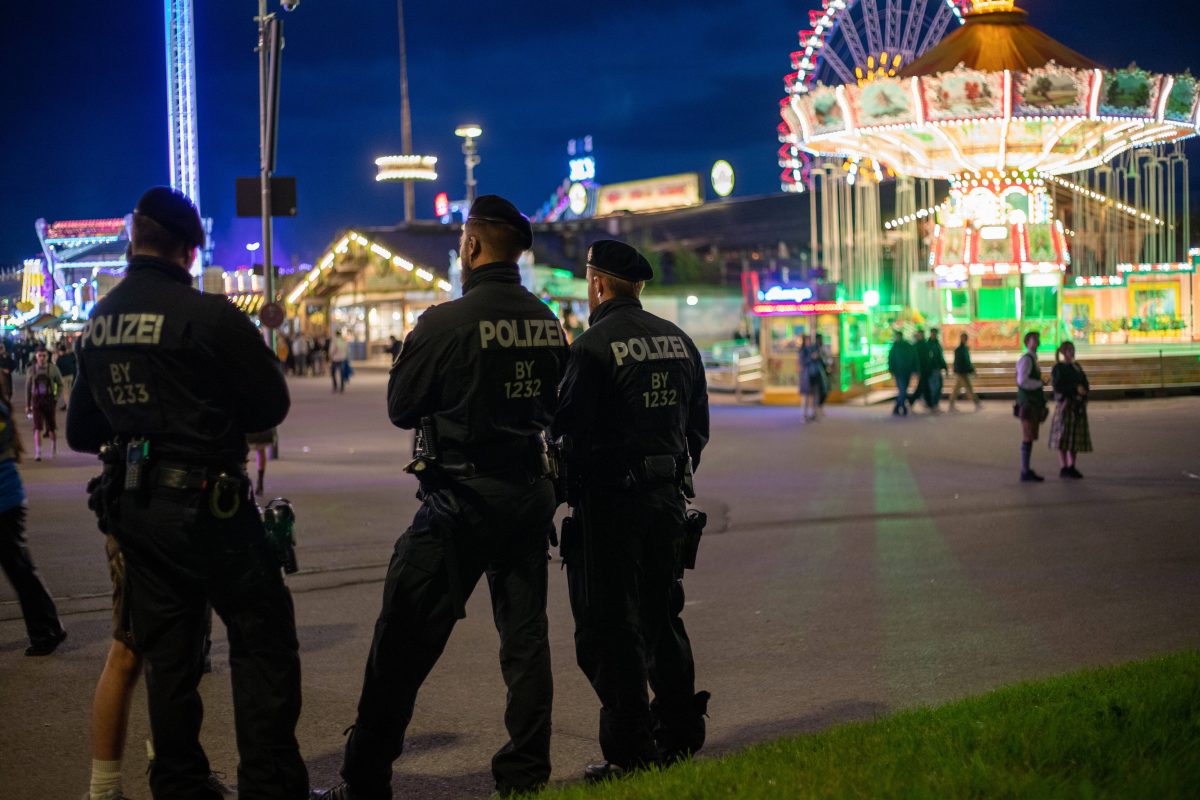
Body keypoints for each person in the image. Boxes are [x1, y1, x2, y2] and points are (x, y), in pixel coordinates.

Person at [314, 195, 568, 800]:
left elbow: (402, 407)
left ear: (473, 247)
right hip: (526, 495)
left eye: (462, 240)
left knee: (401, 641)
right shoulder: (546, 321)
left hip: (459, 503)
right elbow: (559, 408)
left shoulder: (444, 323)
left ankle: (365, 778)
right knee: (526, 644)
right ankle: (526, 777)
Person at [66, 186, 307, 799]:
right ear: (190, 251)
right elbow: (271, 403)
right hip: (212, 506)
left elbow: (80, 430)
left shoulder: (99, 322)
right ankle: (270, 784)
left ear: (132, 239)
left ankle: (179, 785)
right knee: (262, 638)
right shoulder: (210, 315)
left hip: (137, 509)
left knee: (169, 660)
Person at [553, 239, 711, 781]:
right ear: (637, 287)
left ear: (598, 284)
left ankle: (631, 750)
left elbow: (565, 431)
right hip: (667, 502)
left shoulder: (592, 347)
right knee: (663, 617)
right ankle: (681, 733)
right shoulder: (679, 341)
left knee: (608, 630)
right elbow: (698, 431)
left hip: (610, 508)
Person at [0, 396, 67, 656]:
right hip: (8, 501)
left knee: (21, 571)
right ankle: (47, 629)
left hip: (5, 503)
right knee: (21, 570)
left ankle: (48, 630)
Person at [1048, 341, 1091, 479]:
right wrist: (1074, 389)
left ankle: (1072, 465)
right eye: (1069, 350)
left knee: (1074, 438)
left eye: (1073, 349)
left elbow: (1085, 381)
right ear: (1063, 352)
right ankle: (1064, 466)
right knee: (1064, 437)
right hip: (1066, 405)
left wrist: (1084, 390)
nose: (1072, 352)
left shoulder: (1076, 367)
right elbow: (1058, 387)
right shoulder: (1058, 368)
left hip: (1077, 406)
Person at [1015, 330, 1049, 482]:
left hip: (1032, 404)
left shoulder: (1032, 359)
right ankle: (1025, 470)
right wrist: (1039, 383)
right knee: (1027, 436)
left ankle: (1026, 469)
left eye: (1038, 339)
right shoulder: (1027, 359)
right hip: (1028, 404)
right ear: (1027, 342)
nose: (1037, 342)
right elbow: (1022, 381)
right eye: (1034, 339)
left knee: (1029, 436)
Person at [26, 347, 64, 460]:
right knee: (37, 427)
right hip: (36, 400)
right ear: (36, 356)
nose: (42, 358)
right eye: (39, 355)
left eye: (44, 355)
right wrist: (27, 405)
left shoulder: (53, 369)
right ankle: (38, 452)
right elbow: (28, 388)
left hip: (49, 400)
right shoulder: (31, 370)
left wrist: (56, 398)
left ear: (47, 356)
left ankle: (54, 449)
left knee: (51, 427)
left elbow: (60, 384)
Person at [948, 332, 981, 411]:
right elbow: (959, 362)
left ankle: (951, 404)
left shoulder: (965, 349)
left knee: (957, 389)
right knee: (969, 388)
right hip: (961, 372)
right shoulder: (959, 350)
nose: (964, 340)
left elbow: (967, 361)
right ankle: (977, 403)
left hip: (963, 372)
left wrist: (971, 369)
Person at [887, 330, 916, 416]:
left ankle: (898, 407)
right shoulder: (895, 347)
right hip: (899, 373)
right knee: (903, 391)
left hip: (906, 372)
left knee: (903, 390)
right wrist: (891, 370)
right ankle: (903, 407)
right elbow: (891, 360)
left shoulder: (905, 346)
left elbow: (913, 358)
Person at [247, 428, 277, 496]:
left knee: (244, 452)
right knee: (261, 450)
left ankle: (243, 478)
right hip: (261, 425)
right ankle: (260, 482)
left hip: (247, 425)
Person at [925, 328, 947, 411]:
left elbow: (940, 357)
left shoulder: (937, 344)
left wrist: (944, 367)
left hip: (937, 368)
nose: (934, 335)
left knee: (938, 386)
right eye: (933, 333)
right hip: (931, 369)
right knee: (934, 387)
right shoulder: (928, 345)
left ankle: (934, 403)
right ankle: (932, 403)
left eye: (935, 333)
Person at [911, 329, 930, 410]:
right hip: (921, 369)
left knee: (924, 386)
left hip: (925, 368)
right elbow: (915, 359)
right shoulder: (916, 346)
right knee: (923, 386)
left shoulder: (925, 344)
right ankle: (912, 400)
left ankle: (929, 403)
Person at [57, 340, 78, 410]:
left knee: (65, 392)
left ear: (61, 351)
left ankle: (68, 406)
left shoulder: (59, 359)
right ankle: (68, 404)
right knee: (70, 391)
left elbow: (57, 369)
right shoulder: (70, 356)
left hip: (64, 377)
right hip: (71, 376)